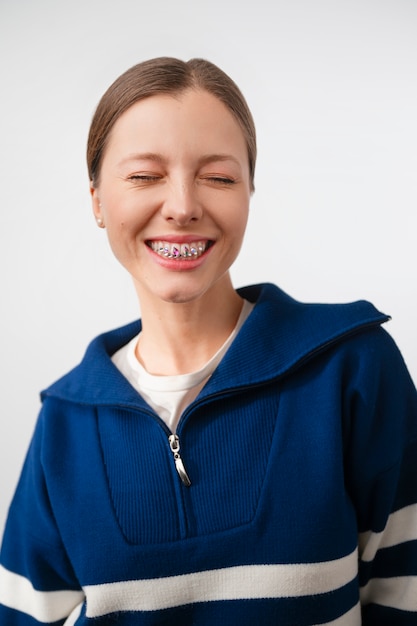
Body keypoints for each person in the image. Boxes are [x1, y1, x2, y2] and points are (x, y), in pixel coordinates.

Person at [0, 57, 416, 626]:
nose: (183, 206)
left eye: (218, 177)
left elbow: (406, 594)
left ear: (249, 191)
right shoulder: (64, 424)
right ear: (97, 200)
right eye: (145, 176)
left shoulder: (353, 369)